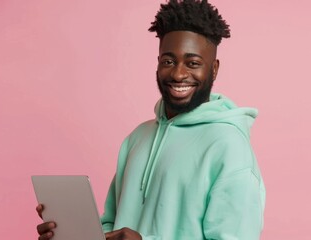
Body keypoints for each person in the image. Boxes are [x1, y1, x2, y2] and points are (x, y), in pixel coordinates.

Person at [36, 0, 265, 239]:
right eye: (168, 61)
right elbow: (111, 225)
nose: (178, 73)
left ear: (214, 69)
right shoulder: (137, 138)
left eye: (193, 63)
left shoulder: (230, 147)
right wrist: (72, 234)